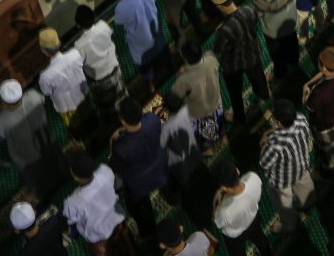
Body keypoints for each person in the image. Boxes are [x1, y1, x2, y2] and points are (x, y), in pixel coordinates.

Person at [109, 97, 168, 244]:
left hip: (138, 185)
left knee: (139, 209)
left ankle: (148, 233)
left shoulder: (121, 148)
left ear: (122, 121)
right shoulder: (153, 120)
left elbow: (114, 169)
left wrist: (113, 142)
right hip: (160, 168)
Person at [0, 79, 60, 199]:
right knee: (54, 167)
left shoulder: (0, 122)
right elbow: (43, 100)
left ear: (3, 102)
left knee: (36, 182)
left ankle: (42, 195)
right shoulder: (34, 96)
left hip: (27, 160)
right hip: (46, 144)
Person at [211, 0, 270, 124]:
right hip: (253, 55)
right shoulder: (250, 9)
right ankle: (264, 95)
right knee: (258, 79)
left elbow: (217, 50)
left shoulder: (224, 30)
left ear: (220, 6)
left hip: (233, 65)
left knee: (235, 93)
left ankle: (239, 117)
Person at [259, 99, 315, 233]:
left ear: (278, 122)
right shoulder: (301, 119)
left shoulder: (275, 144)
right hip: (301, 168)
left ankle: (289, 225)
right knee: (306, 192)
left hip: (282, 180)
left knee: (285, 206)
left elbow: (264, 163)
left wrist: (263, 141)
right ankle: (308, 206)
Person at [63, 154, 129, 256]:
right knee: (125, 250)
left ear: (75, 177)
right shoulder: (105, 171)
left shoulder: (72, 202)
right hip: (117, 223)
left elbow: (70, 219)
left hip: (98, 238)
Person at [169, 39, 224, 154]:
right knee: (217, 120)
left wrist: (181, 73)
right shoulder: (211, 60)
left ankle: (205, 147)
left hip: (198, 113)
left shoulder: (182, 80)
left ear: (185, 59)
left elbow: (175, 96)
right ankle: (220, 134)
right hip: (215, 103)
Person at [305, 47, 334, 176]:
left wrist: (306, 89)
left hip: (327, 126)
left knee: (329, 151)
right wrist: (311, 82)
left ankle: (327, 172)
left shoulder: (319, 93)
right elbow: (324, 74)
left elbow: (309, 107)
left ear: (323, 68)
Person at [251, 0, 299, 78]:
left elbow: (258, 13)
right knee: (293, 43)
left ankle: (280, 74)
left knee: (278, 55)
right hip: (292, 19)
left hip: (275, 31)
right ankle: (294, 62)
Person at [212, 161, 270, 256]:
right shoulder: (253, 177)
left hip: (236, 235)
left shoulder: (224, 211)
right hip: (254, 219)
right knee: (261, 240)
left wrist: (216, 200)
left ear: (223, 187)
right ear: (237, 170)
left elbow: (218, 222)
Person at [74, 5, 124, 112]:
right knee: (122, 98)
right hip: (114, 69)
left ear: (78, 25)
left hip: (99, 80)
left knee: (106, 106)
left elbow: (80, 62)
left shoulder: (79, 44)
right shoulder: (102, 25)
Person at [37, 28, 89, 126]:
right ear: (59, 42)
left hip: (67, 109)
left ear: (43, 51)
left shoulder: (45, 77)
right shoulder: (75, 54)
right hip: (84, 99)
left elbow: (47, 93)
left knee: (78, 132)